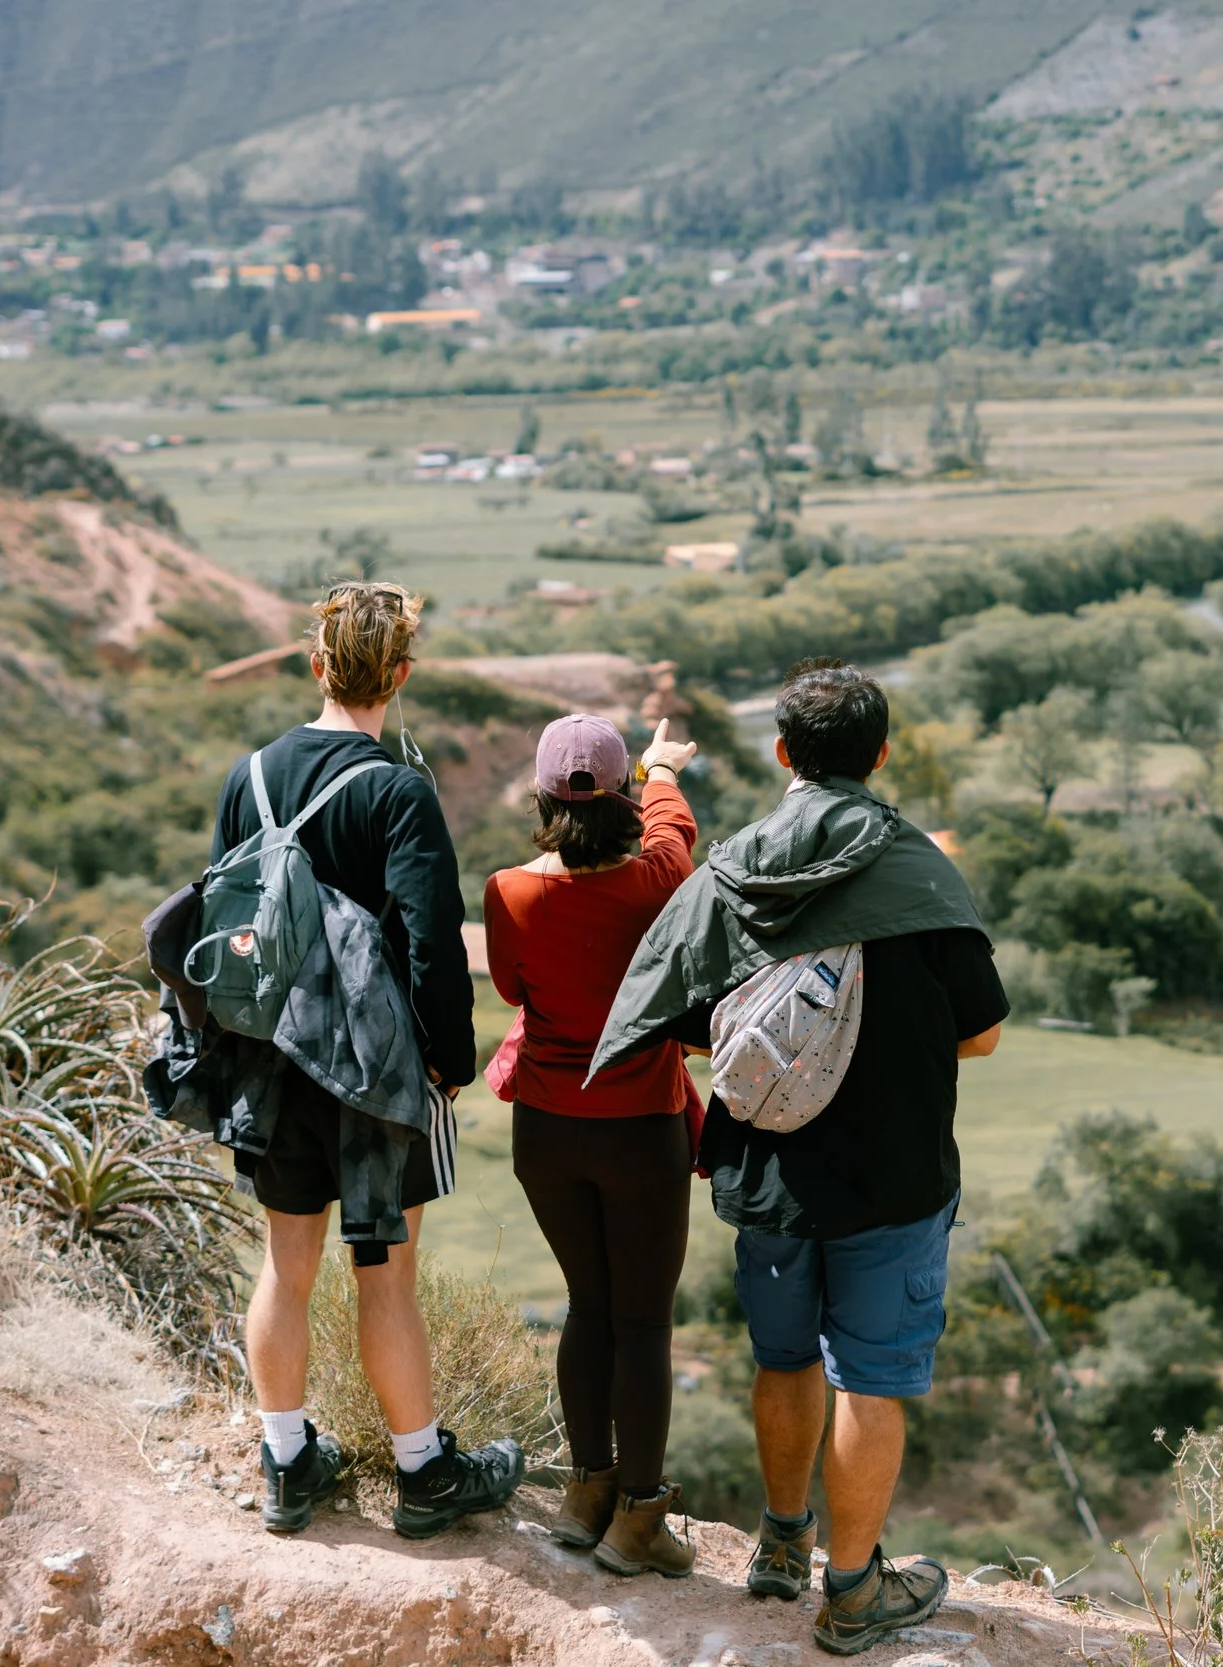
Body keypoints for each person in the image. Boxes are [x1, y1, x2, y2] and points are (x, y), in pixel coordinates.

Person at [589, 659, 1007, 1657]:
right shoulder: (919, 867)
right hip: (896, 1174)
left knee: (781, 1356)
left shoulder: (731, 872)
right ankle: (853, 1591)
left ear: (783, 753)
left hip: (765, 1169)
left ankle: (782, 1542)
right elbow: (983, 1032)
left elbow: (681, 1019)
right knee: (873, 1378)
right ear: (882, 752)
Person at [209, 582, 524, 1538]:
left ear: (316, 665)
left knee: (286, 1264)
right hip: (378, 1073)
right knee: (384, 1270)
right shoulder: (398, 789)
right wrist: (449, 1061)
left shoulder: (249, 776)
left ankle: (287, 1461)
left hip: (271, 1062)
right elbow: (433, 942)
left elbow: (229, 922)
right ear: (400, 674)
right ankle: (424, 1473)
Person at [483, 712, 703, 1577]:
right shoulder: (658, 880)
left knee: (588, 1306)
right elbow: (673, 825)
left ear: (541, 795)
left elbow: (508, 984)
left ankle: (586, 1492)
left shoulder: (507, 891)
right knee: (644, 1322)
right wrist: (662, 766)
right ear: (620, 795)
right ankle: (639, 1520)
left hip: (545, 1129)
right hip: (640, 1131)